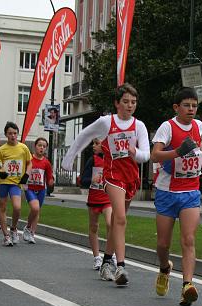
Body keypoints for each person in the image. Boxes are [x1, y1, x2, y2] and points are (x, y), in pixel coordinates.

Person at [62, 83, 150, 285]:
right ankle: (121, 266)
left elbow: (146, 153)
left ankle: (106, 262)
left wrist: (136, 153)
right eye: (126, 102)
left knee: (117, 224)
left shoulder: (139, 126)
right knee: (119, 219)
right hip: (112, 175)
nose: (130, 106)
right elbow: (84, 135)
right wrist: (69, 159)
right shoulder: (106, 122)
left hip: (131, 177)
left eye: (133, 102)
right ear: (117, 103)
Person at [151, 87, 202, 306]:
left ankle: (187, 286)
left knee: (188, 239)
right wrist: (177, 152)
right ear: (176, 107)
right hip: (167, 192)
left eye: (194, 105)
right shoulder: (167, 127)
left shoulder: (199, 127)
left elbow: (199, 150)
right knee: (163, 244)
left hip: (191, 191)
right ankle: (165, 268)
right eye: (186, 105)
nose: (191, 109)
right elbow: (155, 155)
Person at [0, 121, 33, 247]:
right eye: (10, 133)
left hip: (16, 183)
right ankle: (6, 236)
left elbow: (30, 163)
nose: (12, 135)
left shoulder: (23, 148)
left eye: (14, 133)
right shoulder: (1, 150)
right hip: (3, 182)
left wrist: (26, 175)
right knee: (2, 207)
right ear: (6, 135)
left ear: (17, 134)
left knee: (17, 207)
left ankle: (13, 229)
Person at [80, 137, 113, 270]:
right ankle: (97, 257)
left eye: (97, 143)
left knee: (111, 224)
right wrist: (91, 179)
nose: (93, 146)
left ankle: (111, 254)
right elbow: (83, 180)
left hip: (107, 199)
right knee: (94, 227)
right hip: (94, 199)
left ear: (104, 145)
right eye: (93, 143)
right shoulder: (92, 160)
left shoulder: (111, 160)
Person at [23, 137, 54, 244]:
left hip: (41, 189)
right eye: (39, 145)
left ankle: (32, 233)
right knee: (35, 208)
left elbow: (50, 176)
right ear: (35, 146)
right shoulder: (29, 160)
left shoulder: (46, 163)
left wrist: (51, 181)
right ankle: (27, 227)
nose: (41, 148)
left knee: (37, 211)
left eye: (44, 146)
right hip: (30, 188)